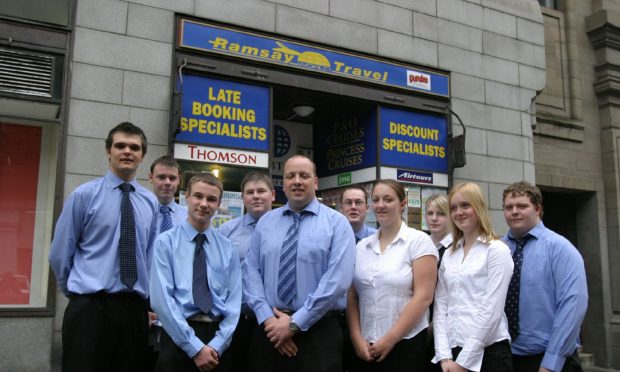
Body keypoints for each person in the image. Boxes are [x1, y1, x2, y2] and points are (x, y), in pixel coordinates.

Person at [48, 122, 159, 372]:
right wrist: (78, 294)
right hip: (90, 308)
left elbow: (149, 257)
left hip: (133, 311)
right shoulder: (83, 196)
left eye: (134, 147)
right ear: (108, 151)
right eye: (120, 146)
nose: (127, 151)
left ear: (142, 155)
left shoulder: (150, 202)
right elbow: (59, 254)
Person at [243, 155, 356, 372]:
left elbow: (337, 280)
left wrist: (295, 324)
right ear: (283, 183)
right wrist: (269, 321)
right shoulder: (266, 222)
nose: (297, 181)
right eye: (290, 176)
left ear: (315, 182)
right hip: (270, 332)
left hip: (319, 333)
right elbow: (251, 272)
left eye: (304, 176)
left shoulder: (337, 223)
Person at [150, 172, 242, 372]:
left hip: (218, 343)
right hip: (178, 337)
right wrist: (194, 348)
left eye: (211, 199)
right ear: (186, 198)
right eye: (198, 196)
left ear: (218, 204)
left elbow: (234, 303)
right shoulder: (165, 243)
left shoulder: (228, 248)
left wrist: (217, 344)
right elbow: (162, 301)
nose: (204, 204)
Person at [347, 179, 438, 371]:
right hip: (365, 346)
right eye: (376, 200)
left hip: (406, 343)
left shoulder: (418, 241)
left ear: (402, 204)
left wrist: (391, 338)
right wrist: (356, 337)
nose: (380, 205)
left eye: (388, 199)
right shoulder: (362, 247)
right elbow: (352, 296)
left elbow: (424, 297)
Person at [502, 181, 588, 372]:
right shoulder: (497, 249)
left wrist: (551, 363)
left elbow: (572, 306)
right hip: (505, 358)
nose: (514, 211)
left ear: (538, 209)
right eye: (509, 207)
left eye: (522, 206)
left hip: (550, 360)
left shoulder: (561, 249)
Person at [433, 182, 514, 372]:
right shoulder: (450, 254)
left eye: (465, 205)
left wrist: (464, 362)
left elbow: (491, 310)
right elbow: (441, 306)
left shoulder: (496, 250)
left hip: (490, 353)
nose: (459, 212)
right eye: (453, 208)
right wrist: (444, 356)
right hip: (452, 352)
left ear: (478, 207)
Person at [218, 171, 275, 372]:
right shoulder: (226, 231)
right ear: (243, 197)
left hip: (274, 324)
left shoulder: (286, 229)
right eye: (250, 192)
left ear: (273, 195)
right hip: (239, 322)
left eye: (261, 191)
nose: (256, 196)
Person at [424, 193, 453, 372]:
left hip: (445, 327)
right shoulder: (420, 244)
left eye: (441, 214)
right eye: (430, 213)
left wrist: (434, 325)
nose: (434, 218)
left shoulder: (456, 248)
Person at [149, 155, 188, 234]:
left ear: (179, 180)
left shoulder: (188, 217)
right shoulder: (140, 213)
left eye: (172, 178)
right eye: (161, 177)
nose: (167, 182)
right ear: (150, 177)